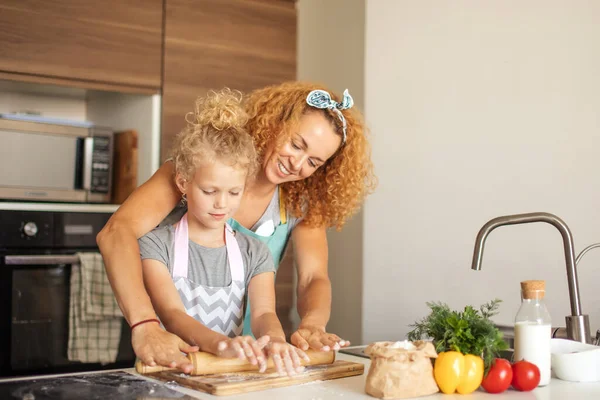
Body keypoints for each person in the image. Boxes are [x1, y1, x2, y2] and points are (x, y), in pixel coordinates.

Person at [97, 81, 377, 373]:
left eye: (314, 162)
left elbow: (312, 277)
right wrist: (145, 324)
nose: (297, 164)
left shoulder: (298, 201)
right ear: (275, 123)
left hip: (247, 359)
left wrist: (313, 325)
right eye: (296, 145)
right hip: (174, 350)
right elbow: (117, 232)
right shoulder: (200, 167)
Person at [138, 89, 308, 376]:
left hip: (228, 376)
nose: (221, 203)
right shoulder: (155, 245)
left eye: (234, 192)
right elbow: (172, 314)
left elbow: (265, 313)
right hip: (164, 374)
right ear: (183, 182)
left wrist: (276, 341)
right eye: (209, 191)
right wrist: (219, 345)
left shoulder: (255, 252)